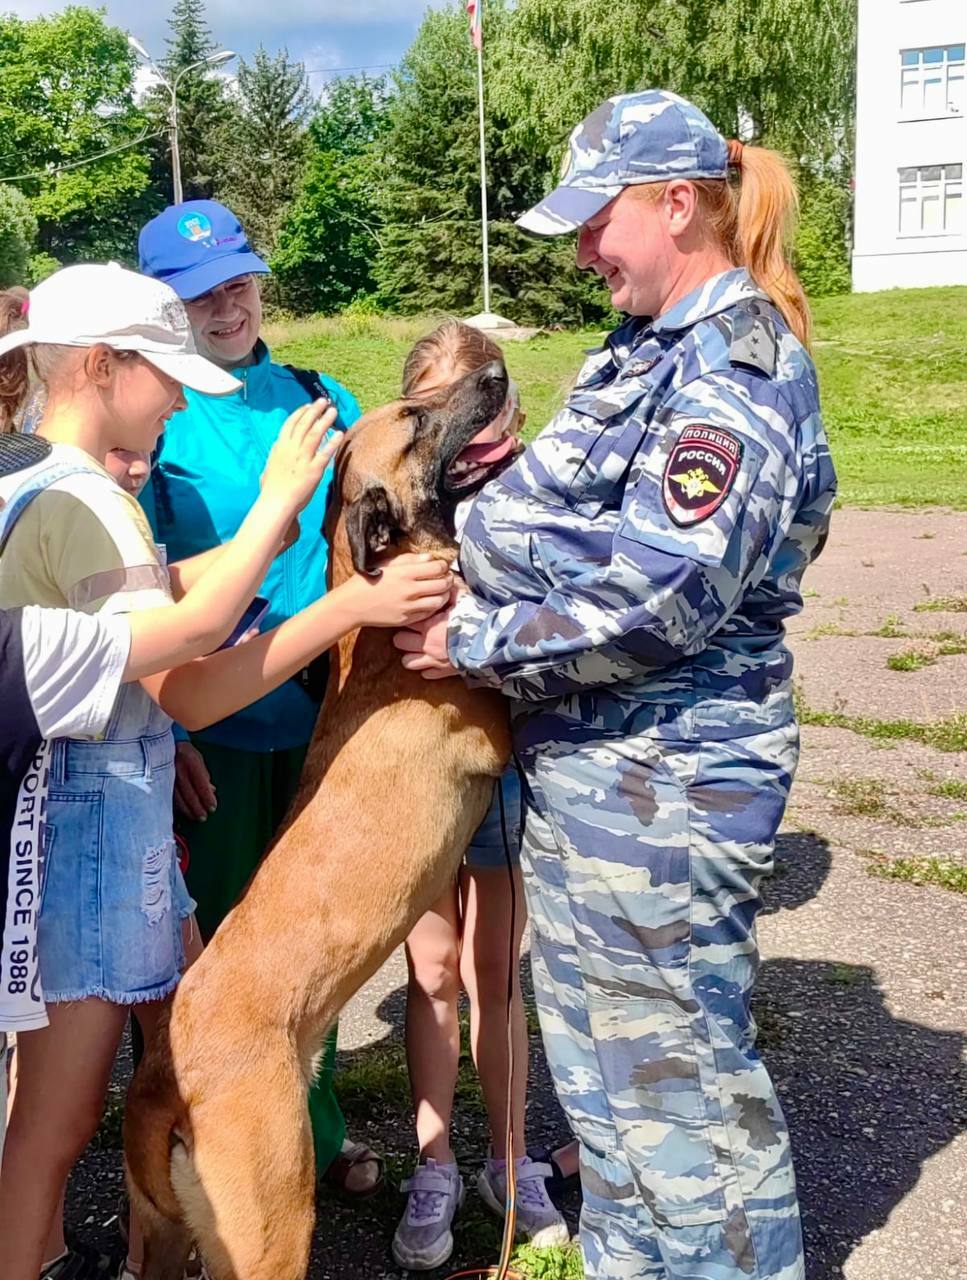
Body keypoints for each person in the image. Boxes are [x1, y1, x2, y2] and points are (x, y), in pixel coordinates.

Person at [395, 90, 836, 1280]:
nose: (585, 248)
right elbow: (545, 511)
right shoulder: (643, 349)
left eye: (600, 219)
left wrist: (474, 643)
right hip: (596, 783)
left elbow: (661, 592)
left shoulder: (734, 370)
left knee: (683, 1102)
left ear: (676, 203)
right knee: (606, 1088)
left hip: (671, 786)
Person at [0, 266, 452, 1280]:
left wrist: (267, 541)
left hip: (70, 815)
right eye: (160, 375)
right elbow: (187, 677)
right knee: (54, 1122)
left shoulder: (26, 473)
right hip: (88, 844)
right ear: (98, 366)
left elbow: (144, 591)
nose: (174, 396)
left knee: (112, 1084)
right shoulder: (94, 503)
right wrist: (336, 594)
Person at [137, 200, 378, 1196]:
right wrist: (161, 728)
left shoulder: (322, 398)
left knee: (311, 943)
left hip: (321, 716)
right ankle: (196, 1143)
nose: (225, 302)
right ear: (168, 306)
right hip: (214, 728)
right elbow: (136, 597)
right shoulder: (158, 419)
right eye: (199, 291)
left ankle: (311, 1135)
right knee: (216, 950)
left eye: (237, 279)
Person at [390, 322, 568, 1273]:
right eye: (438, 414)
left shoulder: (539, 495)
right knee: (429, 970)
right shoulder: (400, 505)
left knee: (495, 972)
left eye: (481, 411)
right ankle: (433, 1164)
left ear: (509, 411)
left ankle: (508, 1156)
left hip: (501, 775)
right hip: (420, 776)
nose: (468, 440)